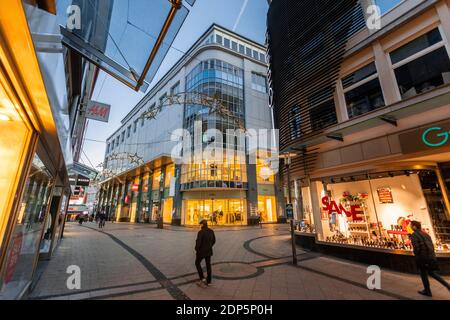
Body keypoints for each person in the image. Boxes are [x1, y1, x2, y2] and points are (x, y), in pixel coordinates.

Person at [409, 220, 450, 297]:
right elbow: (431, 246)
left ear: (414, 226)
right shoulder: (426, 234)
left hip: (422, 258)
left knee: (423, 274)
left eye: (411, 225)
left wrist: (416, 255)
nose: (410, 227)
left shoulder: (414, 235)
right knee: (432, 273)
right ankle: (447, 285)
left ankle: (427, 291)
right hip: (430, 257)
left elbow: (416, 248)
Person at [195, 219, 216, 288]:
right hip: (209, 251)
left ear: (202, 225)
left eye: (200, 224)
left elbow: (198, 243)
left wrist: (196, 249)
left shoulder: (201, 232)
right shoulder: (211, 231)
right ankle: (209, 281)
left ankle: (202, 278)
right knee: (208, 265)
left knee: (197, 263)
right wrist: (210, 246)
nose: (200, 226)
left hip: (201, 251)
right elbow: (214, 240)